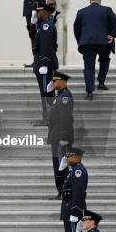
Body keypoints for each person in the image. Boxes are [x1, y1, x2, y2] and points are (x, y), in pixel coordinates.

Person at [73, 0, 116, 100]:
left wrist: (80, 40)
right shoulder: (107, 10)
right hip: (103, 42)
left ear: (90, 1)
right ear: (100, 1)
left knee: (89, 66)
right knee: (104, 60)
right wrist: (112, 35)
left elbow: (76, 28)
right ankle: (101, 83)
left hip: (87, 43)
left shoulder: (81, 12)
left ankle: (89, 92)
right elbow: (115, 20)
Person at [47, 71, 74, 199]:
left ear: (63, 81)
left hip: (61, 136)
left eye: (55, 81)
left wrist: (64, 136)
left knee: (61, 164)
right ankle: (61, 191)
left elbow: (65, 117)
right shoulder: (59, 95)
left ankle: (65, 191)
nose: (53, 83)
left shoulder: (65, 97)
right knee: (57, 163)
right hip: (55, 135)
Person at [60, 147, 88, 232]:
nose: (66, 158)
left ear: (77, 157)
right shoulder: (73, 170)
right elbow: (63, 187)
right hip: (69, 210)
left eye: (69, 156)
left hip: (73, 212)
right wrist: (61, 169)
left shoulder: (78, 171)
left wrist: (75, 212)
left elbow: (78, 192)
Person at [32, 4, 58, 126]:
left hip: (44, 64)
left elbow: (47, 45)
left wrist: (44, 62)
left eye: (39, 11)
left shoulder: (46, 26)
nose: (37, 13)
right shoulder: (42, 25)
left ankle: (48, 118)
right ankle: (49, 117)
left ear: (46, 12)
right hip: (44, 62)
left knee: (46, 92)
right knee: (46, 91)